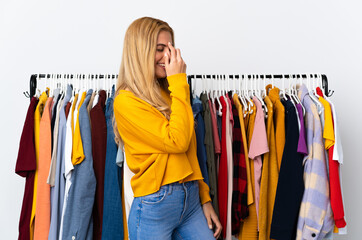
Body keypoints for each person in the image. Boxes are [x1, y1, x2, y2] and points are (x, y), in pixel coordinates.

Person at [113, 16, 222, 239]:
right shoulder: (125, 101)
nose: (168, 57)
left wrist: (204, 198)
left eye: (170, 49)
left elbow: (189, 151)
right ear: (140, 51)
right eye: (159, 49)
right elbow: (177, 141)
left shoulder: (170, 90)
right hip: (155, 205)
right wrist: (180, 81)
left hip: (189, 200)